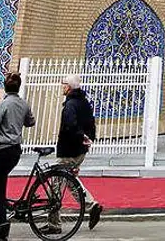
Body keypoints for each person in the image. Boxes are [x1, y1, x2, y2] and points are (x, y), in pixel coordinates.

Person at [0, 71, 35, 241]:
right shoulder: (23, 104)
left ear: (5, 87)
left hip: (1, 151)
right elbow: (31, 122)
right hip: (14, 152)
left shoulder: (1, 105)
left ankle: (1, 234)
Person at [53, 74, 103, 230]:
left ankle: (54, 224)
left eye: (64, 84)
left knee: (56, 185)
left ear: (68, 87)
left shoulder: (70, 105)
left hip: (69, 150)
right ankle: (91, 205)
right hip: (80, 150)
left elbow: (71, 126)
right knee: (69, 180)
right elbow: (91, 124)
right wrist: (88, 140)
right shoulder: (84, 102)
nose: (62, 87)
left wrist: (81, 137)